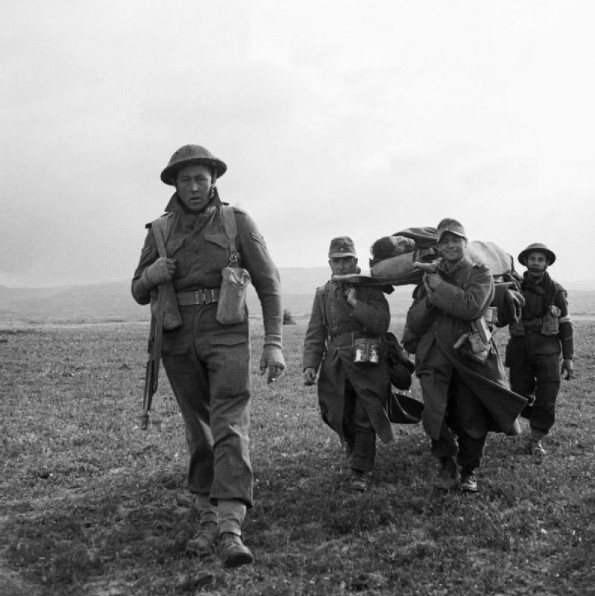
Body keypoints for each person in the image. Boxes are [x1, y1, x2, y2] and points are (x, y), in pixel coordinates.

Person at [131, 144, 285, 568]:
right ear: (175, 185)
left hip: (227, 332)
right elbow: (137, 290)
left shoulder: (238, 222)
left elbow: (269, 285)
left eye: (201, 178)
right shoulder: (160, 231)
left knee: (229, 422)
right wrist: (150, 275)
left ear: (214, 180)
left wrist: (274, 341)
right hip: (178, 338)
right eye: (186, 180)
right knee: (199, 430)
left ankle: (230, 526)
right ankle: (206, 516)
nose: (195, 186)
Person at [403, 218, 526, 493]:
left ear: (464, 243)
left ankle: (469, 470)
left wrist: (440, 288)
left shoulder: (480, 274)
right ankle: (446, 461)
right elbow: (414, 320)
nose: (449, 246)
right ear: (438, 246)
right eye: (444, 241)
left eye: (455, 240)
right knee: (435, 412)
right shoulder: (429, 276)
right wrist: (430, 298)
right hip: (434, 356)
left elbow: (470, 307)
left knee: (471, 417)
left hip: (469, 355)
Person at [302, 236, 395, 491]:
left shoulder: (371, 288)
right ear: (330, 263)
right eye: (337, 261)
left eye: (347, 260)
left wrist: (356, 302)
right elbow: (315, 331)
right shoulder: (323, 293)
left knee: (365, 413)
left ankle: (360, 470)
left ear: (355, 262)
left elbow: (381, 323)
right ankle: (355, 452)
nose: (342, 266)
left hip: (367, 356)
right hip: (335, 362)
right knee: (337, 412)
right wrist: (310, 364)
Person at [506, 243, 574, 458]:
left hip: (547, 348)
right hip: (519, 347)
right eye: (532, 258)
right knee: (519, 394)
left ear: (546, 263)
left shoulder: (556, 290)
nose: (536, 262)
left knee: (547, 394)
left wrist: (569, 357)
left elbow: (565, 324)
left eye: (540, 259)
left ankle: (536, 437)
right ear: (525, 262)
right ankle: (529, 414)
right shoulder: (512, 287)